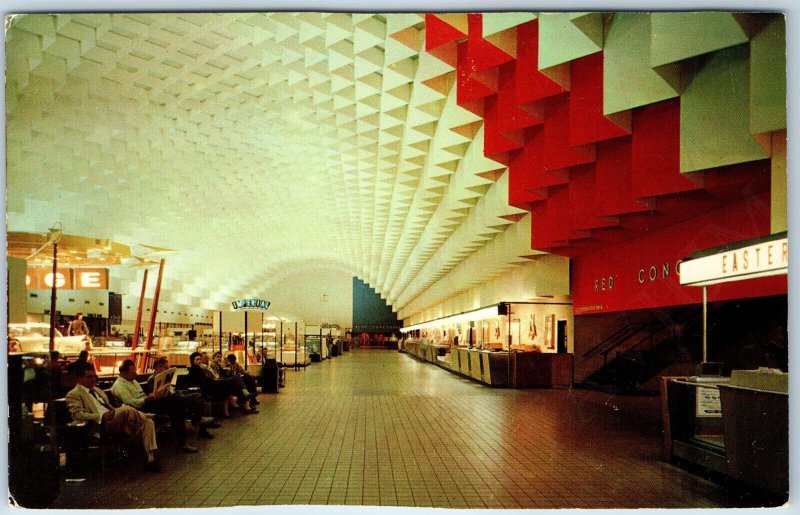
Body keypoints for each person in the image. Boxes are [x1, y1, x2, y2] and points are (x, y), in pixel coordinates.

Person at [65, 362, 161, 472]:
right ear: (79, 378)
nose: (93, 380)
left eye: (94, 376)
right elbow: (77, 415)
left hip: (115, 419)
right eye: (89, 377)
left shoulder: (97, 390)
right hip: (102, 425)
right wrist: (101, 416)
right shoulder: (73, 394)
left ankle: (150, 460)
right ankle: (150, 415)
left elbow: (109, 407)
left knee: (148, 422)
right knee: (125, 408)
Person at [111, 359, 213, 453]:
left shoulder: (132, 380)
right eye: (133, 372)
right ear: (124, 373)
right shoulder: (119, 385)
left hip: (147, 403)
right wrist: (147, 398)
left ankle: (184, 438)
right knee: (176, 403)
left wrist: (153, 396)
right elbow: (131, 403)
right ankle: (192, 423)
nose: (136, 374)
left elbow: (140, 395)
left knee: (176, 406)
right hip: (138, 409)